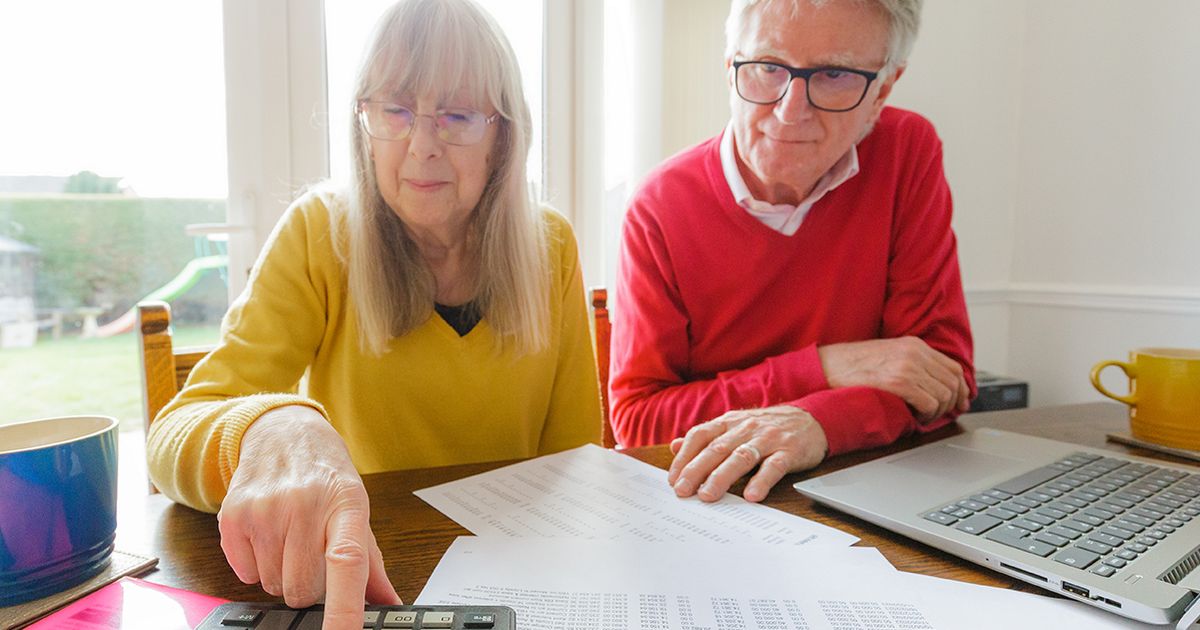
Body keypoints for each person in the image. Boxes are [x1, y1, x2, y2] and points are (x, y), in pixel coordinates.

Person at [146, 0, 602, 625]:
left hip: (523, 582)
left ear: (503, 134)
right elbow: (174, 435)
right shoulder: (319, 232)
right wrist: (271, 427)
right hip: (363, 576)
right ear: (364, 120)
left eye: (458, 115)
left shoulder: (551, 245)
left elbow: (576, 460)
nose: (421, 147)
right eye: (394, 110)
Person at [610, 0, 974, 506]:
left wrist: (817, 424)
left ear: (883, 90)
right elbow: (640, 420)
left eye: (832, 74)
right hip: (713, 501)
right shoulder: (660, 205)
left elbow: (944, 381)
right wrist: (827, 369)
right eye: (766, 67)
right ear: (729, 64)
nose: (789, 110)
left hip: (871, 491)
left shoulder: (907, 152)